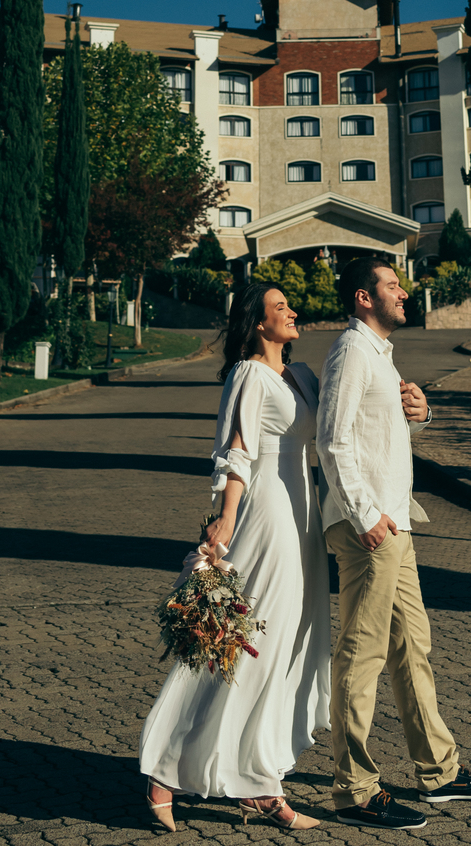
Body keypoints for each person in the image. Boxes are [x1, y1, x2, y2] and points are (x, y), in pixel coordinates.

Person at [317, 255, 471, 831]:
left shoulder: (380, 354)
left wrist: (420, 417)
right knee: (363, 653)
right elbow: (333, 440)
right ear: (363, 299)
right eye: (392, 286)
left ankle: (439, 771)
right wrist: (364, 513)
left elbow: (377, 435)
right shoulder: (351, 351)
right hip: (370, 527)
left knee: (411, 648)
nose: (405, 292)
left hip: (395, 522)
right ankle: (353, 790)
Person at [140, 282, 330, 831]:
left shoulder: (302, 376)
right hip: (267, 511)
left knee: (282, 646)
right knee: (244, 644)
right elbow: (238, 450)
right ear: (257, 323)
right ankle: (166, 770)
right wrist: (225, 516)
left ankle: (257, 780)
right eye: (278, 307)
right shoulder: (249, 374)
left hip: (303, 512)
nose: (291, 310)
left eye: (290, 304)